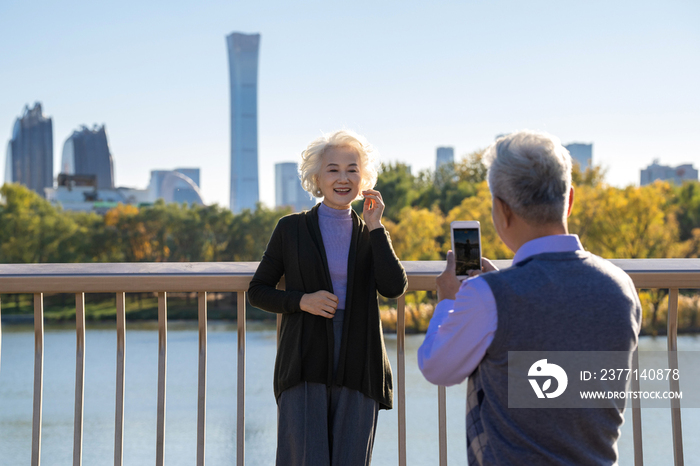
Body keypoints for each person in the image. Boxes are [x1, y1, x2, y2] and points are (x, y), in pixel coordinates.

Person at [418, 130, 641, 465]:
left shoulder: (490, 295)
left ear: (501, 211)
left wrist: (450, 301)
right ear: (569, 200)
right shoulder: (620, 287)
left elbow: (438, 367)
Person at [248, 129, 407, 466]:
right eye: (333, 169)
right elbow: (258, 291)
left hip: (360, 359)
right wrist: (301, 301)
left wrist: (377, 226)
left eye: (352, 169)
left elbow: (394, 287)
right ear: (316, 178)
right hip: (304, 357)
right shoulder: (290, 229)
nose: (343, 177)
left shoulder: (371, 232)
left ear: (363, 179)